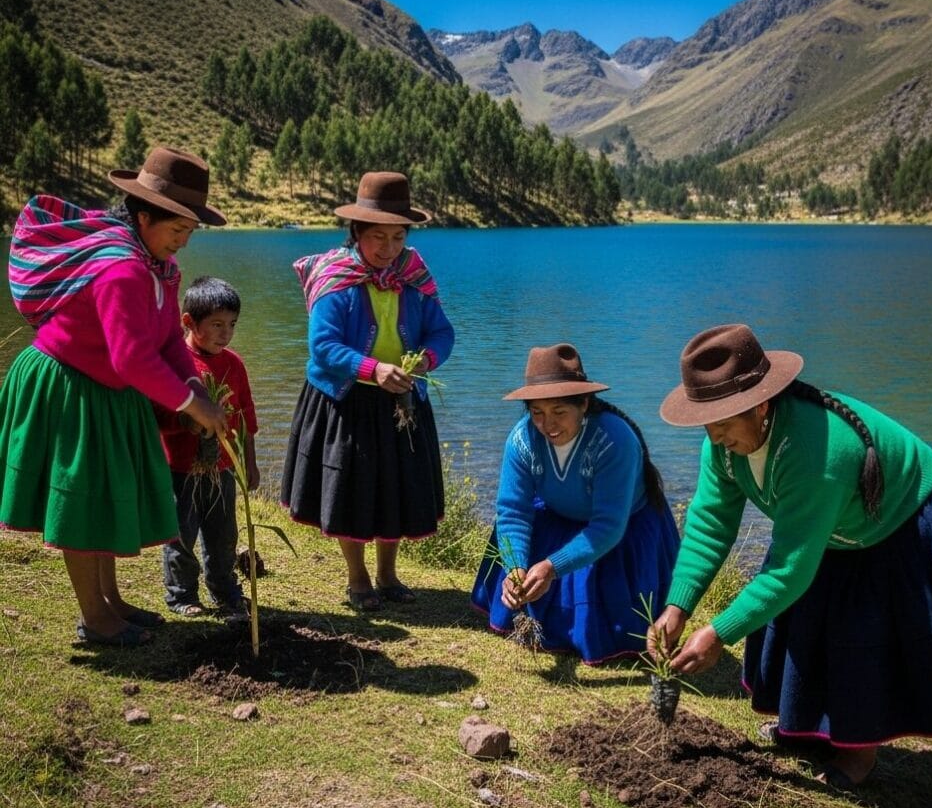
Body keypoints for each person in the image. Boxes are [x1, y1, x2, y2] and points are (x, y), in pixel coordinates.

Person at [649, 323, 932, 789]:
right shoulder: (722, 446)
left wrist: (720, 633)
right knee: (805, 626)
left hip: (903, 519)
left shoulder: (815, 450)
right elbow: (710, 524)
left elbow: (788, 570)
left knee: (864, 638)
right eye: (707, 423)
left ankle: (858, 755)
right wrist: (677, 608)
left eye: (723, 423)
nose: (715, 436)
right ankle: (803, 727)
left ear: (760, 405)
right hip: (833, 524)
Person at [0, 147, 229, 646]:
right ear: (143, 216)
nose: (183, 244)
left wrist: (191, 383)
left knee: (103, 498)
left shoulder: (160, 268)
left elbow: (167, 341)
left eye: (190, 234)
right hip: (70, 385)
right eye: (176, 232)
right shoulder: (121, 269)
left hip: (108, 390)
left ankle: (111, 601)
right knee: (84, 501)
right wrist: (194, 407)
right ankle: (94, 619)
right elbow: (131, 358)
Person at [280, 171, 454, 610]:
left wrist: (423, 363)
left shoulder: (413, 275)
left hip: (402, 400)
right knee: (353, 490)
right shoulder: (335, 277)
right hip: (346, 401)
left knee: (394, 488)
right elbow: (323, 348)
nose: (388, 248)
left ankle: (389, 575)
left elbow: (442, 333)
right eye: (378, 237)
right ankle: (358, 579)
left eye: (397, 237)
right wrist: (373, 369)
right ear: (356, 232)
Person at [471, 343, 681, 665]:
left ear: (584, 404)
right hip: (557, 516)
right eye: (537, 413)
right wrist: (515, 566)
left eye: (559, 412)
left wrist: (551, 567)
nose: (548, 425)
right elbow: (513, 512)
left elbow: (608, 527)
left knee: (612, 623)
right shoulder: (522, 439)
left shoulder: (614, 441)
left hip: (621, 529)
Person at [157, 276, 259, 620]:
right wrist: (188, 421)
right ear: (188, 322)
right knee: (181, 534)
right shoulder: (175, 362)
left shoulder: (235, 363)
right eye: (216, 324)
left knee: (224, 534)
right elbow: (159, 414)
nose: (225, 333)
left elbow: (245, 416)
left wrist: (251, 464)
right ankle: (181, 593)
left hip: (223, 468)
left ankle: (224, 588)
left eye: (231, 325)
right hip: (180, 468)